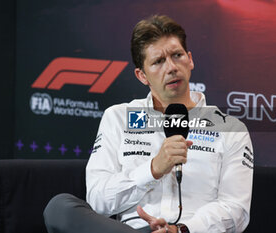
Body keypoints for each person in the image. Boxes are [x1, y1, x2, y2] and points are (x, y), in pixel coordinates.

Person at [44, 15, 254, 233]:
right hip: (132, 229)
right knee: (60, 207)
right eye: (158, 61)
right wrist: (153, 169)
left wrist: (178, 230)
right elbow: (98, 200)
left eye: (177, 55)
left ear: (190, 59)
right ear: (142, 75)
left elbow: (235, 210)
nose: (171, 67)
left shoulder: (231, 129)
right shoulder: (118, 117)